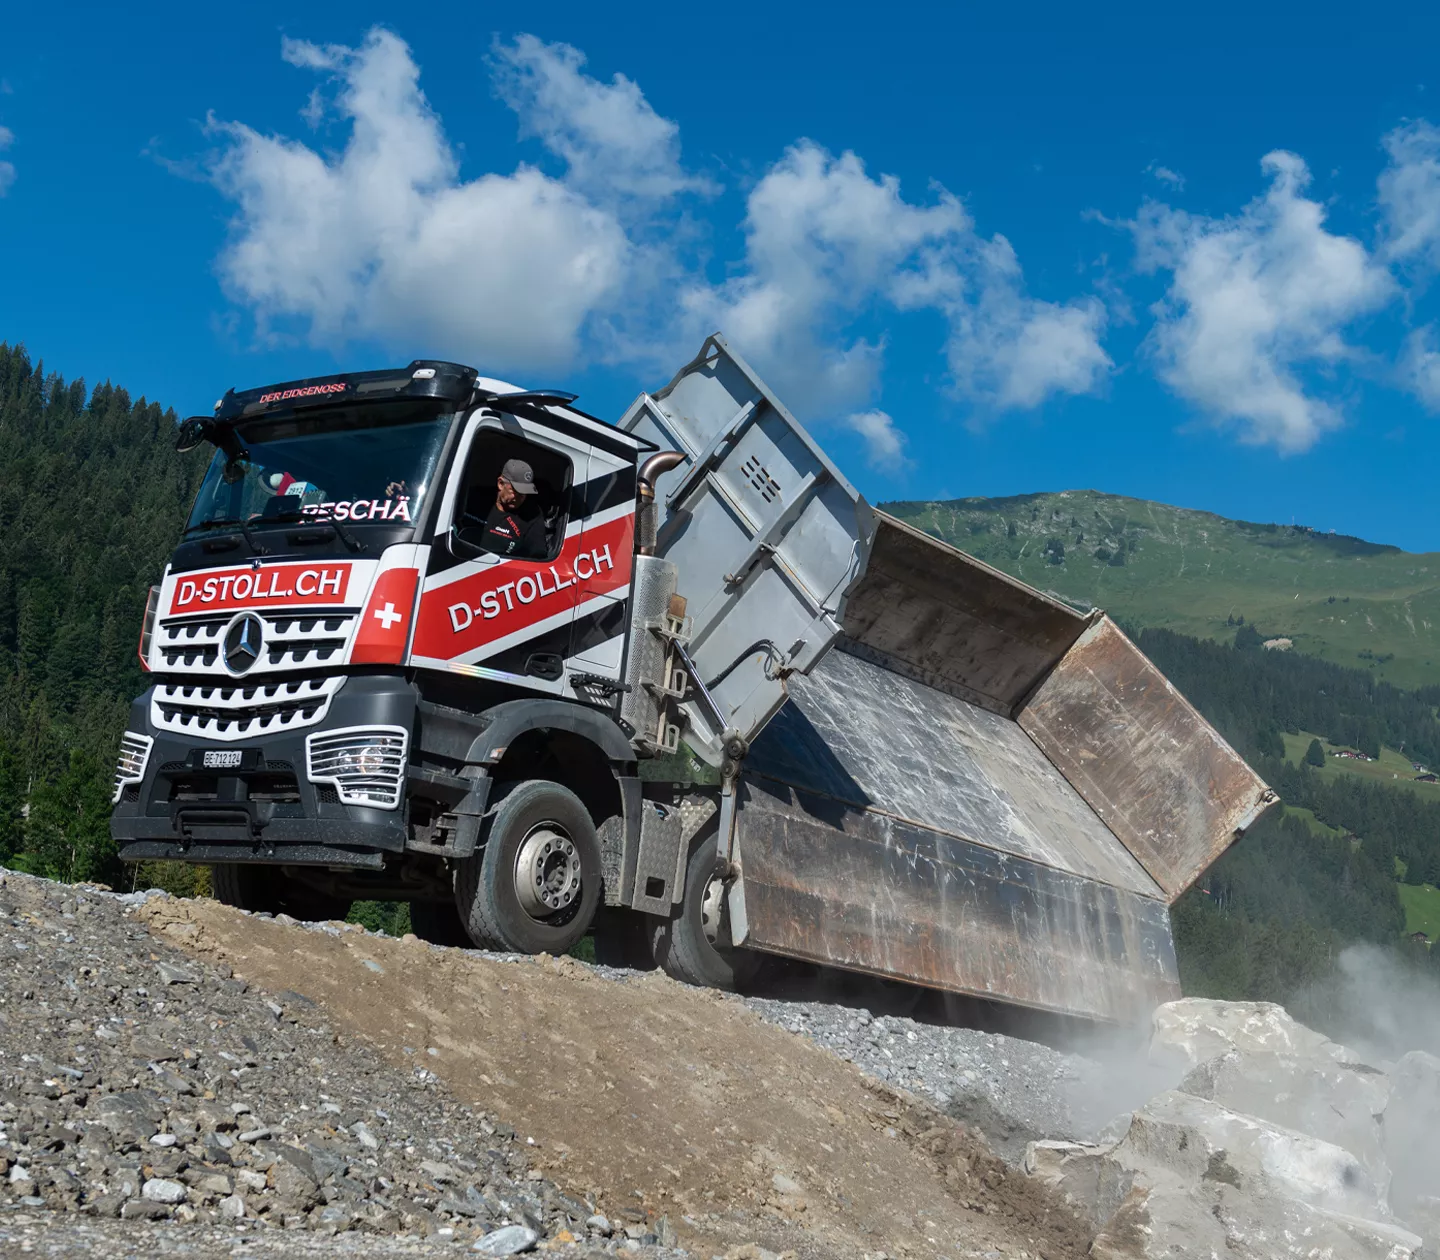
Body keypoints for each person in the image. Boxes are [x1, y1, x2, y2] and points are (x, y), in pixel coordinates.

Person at [475, 458, 547, 558]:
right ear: (500, 484)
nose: (519, 498)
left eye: (524, 493)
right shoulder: (476, 499)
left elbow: (538, 556)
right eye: (515, 491)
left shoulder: (531, 515)